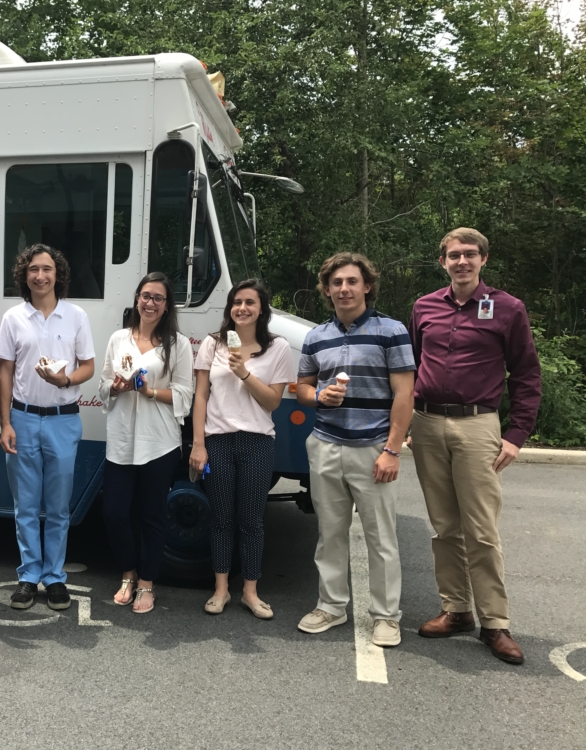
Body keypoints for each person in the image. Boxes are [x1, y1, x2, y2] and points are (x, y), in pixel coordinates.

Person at [409, 228, 541, 665]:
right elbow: (411, 367)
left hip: (477, 425)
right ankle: (456, 610)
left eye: (469, 254)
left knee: (481, 529)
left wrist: (516, 435)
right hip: (427, 423)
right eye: (453, 255)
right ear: (442, 261)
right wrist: (408, 420)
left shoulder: (507, 309)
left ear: (484, 259)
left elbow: (526, 376)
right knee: (444, 526)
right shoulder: (424, 307)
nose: (461, 261)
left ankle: (495, 623)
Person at [295, 252, 415, 648]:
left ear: (367, 286)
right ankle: (331, 606)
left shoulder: (391, 331)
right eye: (336, 283)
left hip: (373, 449)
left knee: (381, 538)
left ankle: (385, 616)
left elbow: (404, 394)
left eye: (351, 281)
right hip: (326, 445)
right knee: (330, 535)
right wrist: (319, 396)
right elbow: (302, 389)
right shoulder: (316, 336)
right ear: (327, 290)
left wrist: (392, 450)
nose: (344, 288)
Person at [0, 244, 95, 612]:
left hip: (62, 419)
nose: (40, 275)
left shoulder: (76, 316)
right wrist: (4, 422)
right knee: (25, 506)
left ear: (58, 274)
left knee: (57, 507)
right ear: (25, 275)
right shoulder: (13, 318)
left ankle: (54, 578)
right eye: (33, 269)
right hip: (21, 418)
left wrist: (64, 381)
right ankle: (28, 575)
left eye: (47, 269)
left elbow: (88, 366)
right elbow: (4, 371)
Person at [190, 279, 295, 619]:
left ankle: (250, 591)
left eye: (250, 302)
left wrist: (245, 373)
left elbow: (272, 402)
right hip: (218, 440)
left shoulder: (277, 348)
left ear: (262, 309)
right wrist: (199, 444)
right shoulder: (212, 344)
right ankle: (221, 589)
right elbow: (201, 396)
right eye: (237, 302)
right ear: (229, 308)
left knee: (252, 520)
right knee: (221, 519)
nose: (242, 308)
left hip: (257, 442)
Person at [99, 273, 193, 614]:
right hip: (122, 440)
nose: (150, 303)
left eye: (158, 298)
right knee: (114, 513)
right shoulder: (118, 339)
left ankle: (147, 584)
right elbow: (103, 383)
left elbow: (186, 393)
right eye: (145, 295)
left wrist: (148, 391)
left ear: (167, 306)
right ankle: (128, 573)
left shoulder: (178, 344)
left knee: (152, 515)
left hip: (159, 442)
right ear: (137, 299)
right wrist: (115, 387)